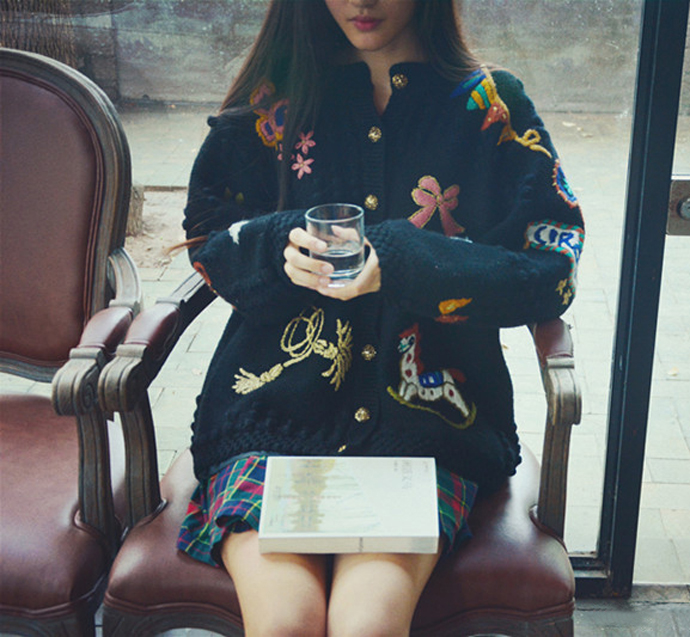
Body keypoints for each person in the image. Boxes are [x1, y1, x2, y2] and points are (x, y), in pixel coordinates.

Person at [176, 0, 585, 634]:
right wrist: (280, 244)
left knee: (367, 625)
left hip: (425, 425)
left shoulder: (491, 107)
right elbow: (209, 236)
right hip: (273, 418)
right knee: (283, 623)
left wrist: (402, 261)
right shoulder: (272, 103)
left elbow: (552, 267)